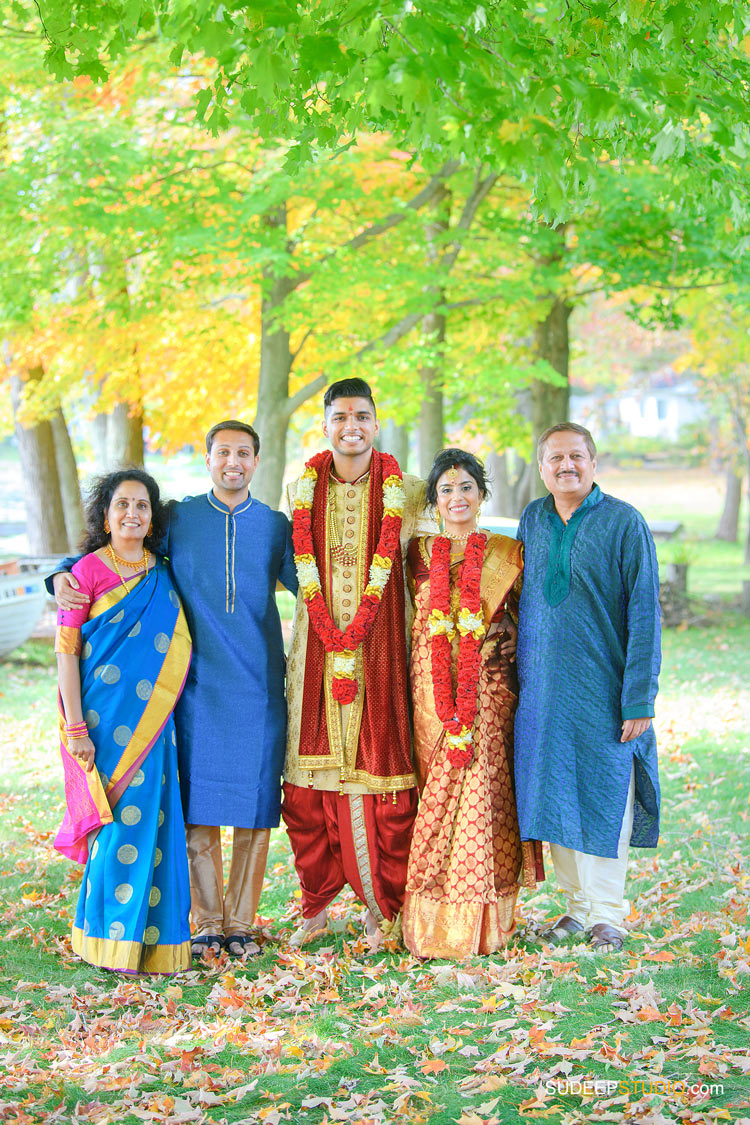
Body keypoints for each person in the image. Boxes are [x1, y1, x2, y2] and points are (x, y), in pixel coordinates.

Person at [51, 422, 298, 960]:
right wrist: (60, 573)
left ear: (257, 461)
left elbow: (318, 586)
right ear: (207, 459)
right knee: (200, 805)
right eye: (223, 452)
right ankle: (207, 921)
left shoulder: (277, 527)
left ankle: (241, 922)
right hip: (193, 686)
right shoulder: (181, 519)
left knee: (257, 809)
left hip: (259, 688)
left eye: (244, 453)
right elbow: (119, 548)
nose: (233, 462)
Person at [282, 378, 434, 946]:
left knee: (383, 785)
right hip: (315, 657)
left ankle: (383, 908)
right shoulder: (301, 489)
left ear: (377, 422)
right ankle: (315, 906)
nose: (352, 426)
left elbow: (436, 565)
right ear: (325, 424)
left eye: (362, 416)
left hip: (383, 657)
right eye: (341, 416)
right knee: (306, 788)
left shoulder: (412, 493)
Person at [514, 422, 661, 954]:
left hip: (603, 690)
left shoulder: (624, 523)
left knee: (603, 800)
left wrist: (639, 697)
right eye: (555, 458)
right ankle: (575, 909)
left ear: (594, 463)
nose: (566, 466)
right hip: (543, 695)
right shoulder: (533, 518)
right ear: (541, 467)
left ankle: (607, 915)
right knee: (554, 800)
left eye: (576, 456)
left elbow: (645, 612)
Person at [402, 449, 543, 959]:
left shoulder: (508, 552)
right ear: (433, 500)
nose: (457, 498)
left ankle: (484, 923)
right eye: (446, 490)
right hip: (430, 694)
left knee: (482, 793)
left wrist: (509, 627)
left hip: (487, 691)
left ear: (483, 496)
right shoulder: (415, 554)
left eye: (467, 488)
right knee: (435, 799)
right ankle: (431, 922)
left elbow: (534, 619)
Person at [54, 470, 192, 974]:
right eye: (122, 505)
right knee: (112, 823)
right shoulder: (86, 573)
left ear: (153, 517)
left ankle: (153, 942)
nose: (132, 514)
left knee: (155, 819)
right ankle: (106, 938)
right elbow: (66, 653)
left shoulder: (164, 572)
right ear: (106, 516)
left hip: (154, 723)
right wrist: (75, 727)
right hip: (100, 718)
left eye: (142, 506)